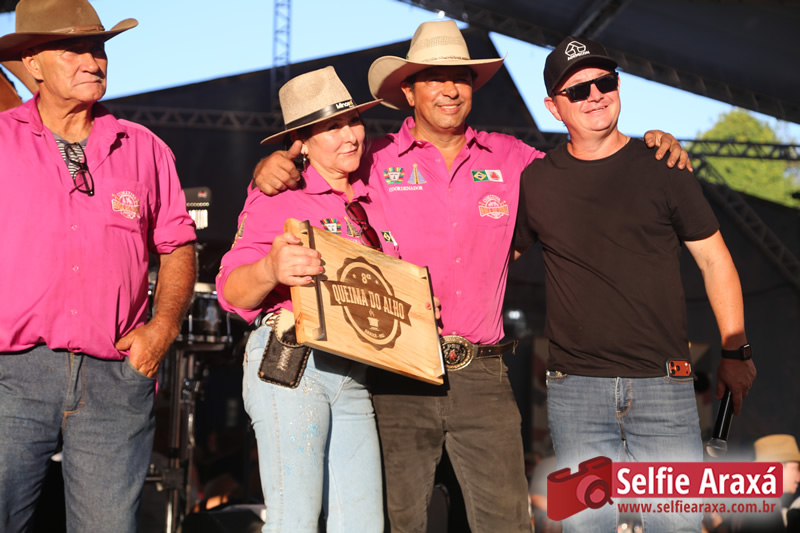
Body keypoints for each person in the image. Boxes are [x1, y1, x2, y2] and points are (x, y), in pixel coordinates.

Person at [252, 21, 689, 533]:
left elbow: (585, 168)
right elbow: (315, 170)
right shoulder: (369, 158)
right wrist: (272, 165)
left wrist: (647, 144)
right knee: (397, 523)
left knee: (506, 523)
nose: (450, 89)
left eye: (460, 77)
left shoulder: (513, 158)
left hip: (483, 372)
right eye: (434, 77)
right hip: (398, 372)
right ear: (408, 92)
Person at [514, 35, 757, 532]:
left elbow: (715, 262)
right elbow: (491, 260)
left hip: (664, 389)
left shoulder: (664, 166)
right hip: (575, 394)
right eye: (577, 91)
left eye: (604, 83)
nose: (595, 96)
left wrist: (737, 352)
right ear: (553, 107)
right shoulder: (535, 182)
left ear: (619, 86)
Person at [0, 1, 197, 532]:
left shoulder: (144, 148)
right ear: (33, 64)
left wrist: (162, 329)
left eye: (98, 49)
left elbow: (178, 245)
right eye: (74, 50)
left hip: (116, 375)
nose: (93, 61)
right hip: (12, 375)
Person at [216, 66, 395, 533]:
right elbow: (229, 291)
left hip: (354, 371)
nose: (350, 135)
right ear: (301, 143)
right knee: (294, 521)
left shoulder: (373, 192)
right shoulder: (278, 196)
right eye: (332, 127)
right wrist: (269, 270)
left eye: (353, 121)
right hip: (294, 361)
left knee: (362, 526)